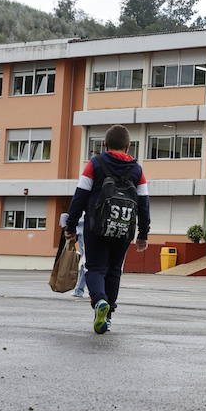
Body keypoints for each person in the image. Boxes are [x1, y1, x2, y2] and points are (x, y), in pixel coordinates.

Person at [64, 124, 148, 333]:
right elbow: (144, 203)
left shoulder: (95, 164)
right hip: (124, 227)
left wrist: (70, 226)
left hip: (96, 226)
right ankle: (107, 316)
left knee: (95, 269)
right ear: (128, 147)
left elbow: (80, 196)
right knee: (113, 271)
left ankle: (100, 302)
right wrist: (143, 234)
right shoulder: (137, 170)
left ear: (104, 144)